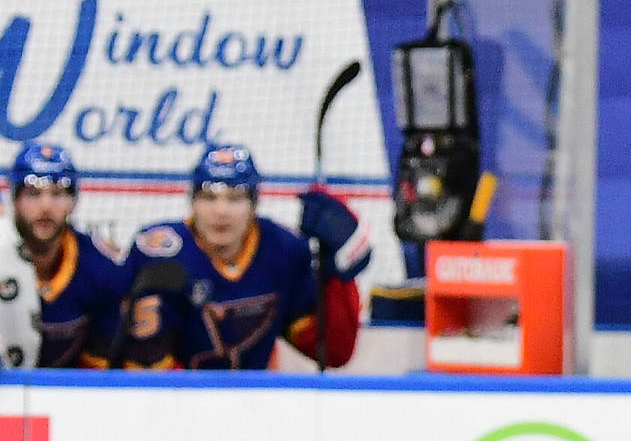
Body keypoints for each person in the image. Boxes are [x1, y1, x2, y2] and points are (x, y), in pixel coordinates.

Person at [119, 144, 369, 370]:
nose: (221, 211)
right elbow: (146, 364)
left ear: (255, 204)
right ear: (192, 202)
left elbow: (334, 353)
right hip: (174, 405)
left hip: (253, 407)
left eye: (235, 198)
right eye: (209, 197)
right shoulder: (160, 252)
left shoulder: (284, 251)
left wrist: (338, 276)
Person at [0, 143, 129, 369]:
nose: (46, 206)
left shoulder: (102, 268)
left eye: (58, 194)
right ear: (15, 200)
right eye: (33, 193)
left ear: (74, 202)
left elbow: (99, 369)